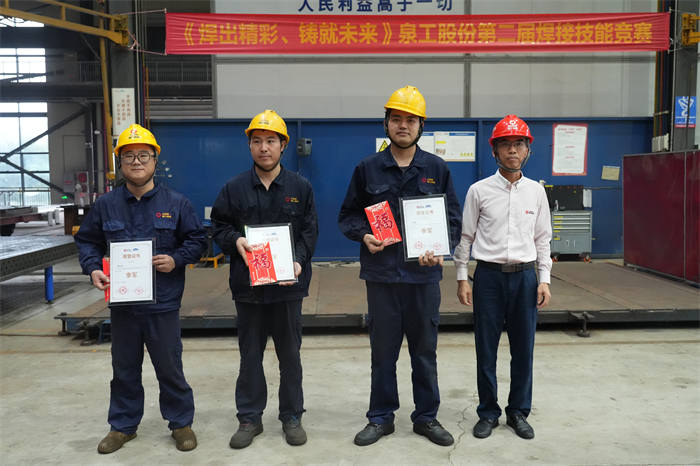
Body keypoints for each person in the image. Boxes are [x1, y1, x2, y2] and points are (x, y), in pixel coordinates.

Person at [338, 86, 462, 447]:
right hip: (382, 277)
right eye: (396, 119)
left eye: (410, 120)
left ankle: (426, 417)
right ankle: (380, 418)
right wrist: (364, 235)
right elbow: (348, 215)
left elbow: (453, 220)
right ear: (386, 124)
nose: (402, 125)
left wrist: (441, 248)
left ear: (421, 126)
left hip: (423, 277)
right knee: (383, 354)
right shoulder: (368, 168)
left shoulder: (436, 168)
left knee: (424, 353)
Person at [74, 124, 207, 454]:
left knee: (169, 367)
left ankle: (181, 423)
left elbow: (198, 241)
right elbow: (87, 241)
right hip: (123, 306)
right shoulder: (105, 205)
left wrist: (175, 259)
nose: (136, 161)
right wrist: (92, 268)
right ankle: (122, 426)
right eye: (129, 156)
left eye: (143, 155)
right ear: (120, 162)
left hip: (163, 303)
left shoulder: (176, 203)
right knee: (124, 368)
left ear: (155, 160)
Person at [211, 110, 318, 449]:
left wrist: (298, 261)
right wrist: (235, 241)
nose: (264, 147)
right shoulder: (234, 188)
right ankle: (249, 418)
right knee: (250, 357)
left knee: (290, 357)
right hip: (249, 289)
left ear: (283, 145)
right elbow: (219, 227)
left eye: (271, 141)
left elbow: (309, 232)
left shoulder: (300, 187)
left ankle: (292, 416)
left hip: (288, 288)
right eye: (257, 141)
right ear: (249, 145)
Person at [454, 115, 552, 440]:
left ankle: (518, 412)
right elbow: (466, 237)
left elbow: (543, 239)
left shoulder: (536, 193)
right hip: (488, 279)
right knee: (486, 350)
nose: (512, 150)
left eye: (519, 144)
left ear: (527, 150)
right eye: (505, 144)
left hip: (525, 279)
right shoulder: (479, 191)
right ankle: (488, 412)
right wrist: (462, 277)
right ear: (494, 150)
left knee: (523, 350)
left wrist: (544, 279)